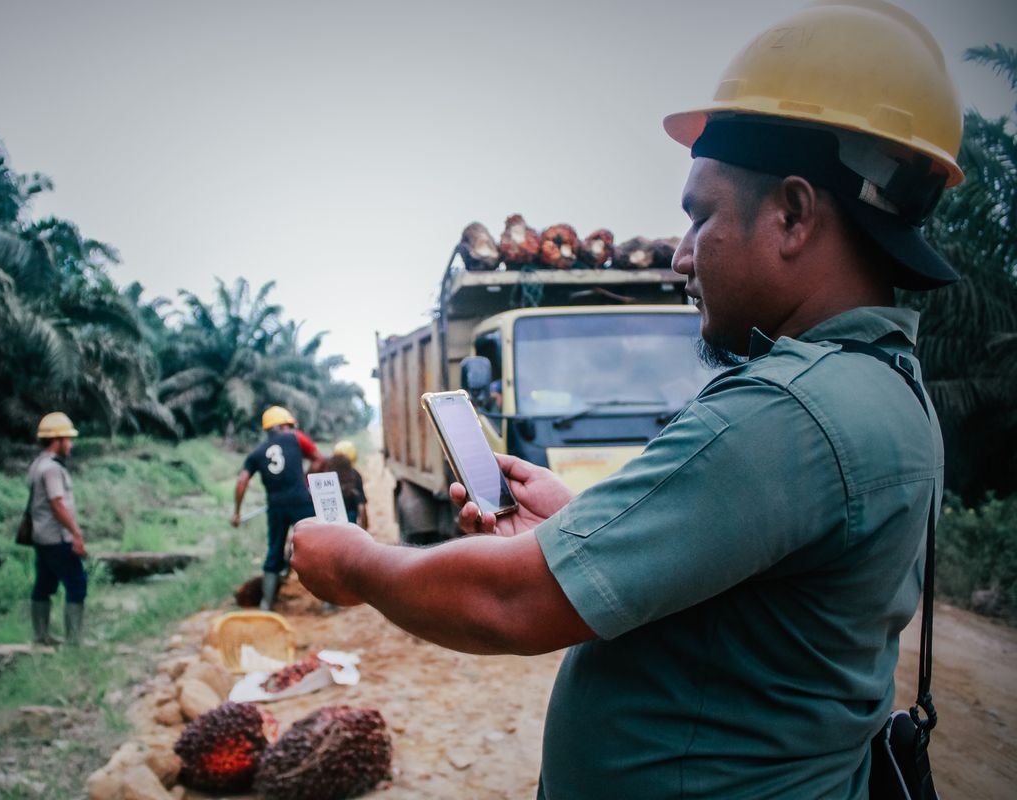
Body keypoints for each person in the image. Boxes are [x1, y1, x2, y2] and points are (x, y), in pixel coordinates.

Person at [291, 1, 959, 796]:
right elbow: (756, 597)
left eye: (701, 215)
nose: (681, 255)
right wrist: (587, 526)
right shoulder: (888, 385)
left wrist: (357, 563)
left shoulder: (793, 411)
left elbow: (510, 602)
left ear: (791, 214)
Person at [232, 406, 323, 610]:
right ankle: (327, 602)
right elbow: (319, 458)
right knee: (318, 546)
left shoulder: (256, 453)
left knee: (274, 550)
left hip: (276, 507)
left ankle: (266, 604)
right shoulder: (296, 438)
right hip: (302, 502)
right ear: (282, 426)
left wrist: (237, 513)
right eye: (289, 426)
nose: (290, 429)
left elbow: (242, 481)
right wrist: (306, 481)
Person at [29, 412, 87, 646]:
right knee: (77, 584)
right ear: (57, 441)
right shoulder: (52, 469)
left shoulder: (37, 464)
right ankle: (73, 641)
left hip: (41, 537)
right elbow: (57, 504)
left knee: (44, 584)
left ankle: (41, 636)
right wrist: (76, 533)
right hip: (57, 538)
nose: (70, 445)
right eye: (68, 440)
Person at [330, 440, 369, 529]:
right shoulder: (355, 475)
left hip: (331, 524)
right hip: (350, 525)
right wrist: (364, 529)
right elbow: (361, 507)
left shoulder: (328, 476)